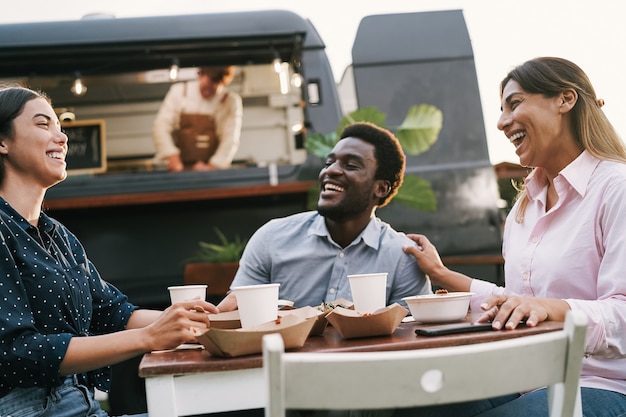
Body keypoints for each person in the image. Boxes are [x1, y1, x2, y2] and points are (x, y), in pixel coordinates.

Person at [401, 57, 626, 416]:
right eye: (501, 109)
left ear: (565, 100)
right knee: (417, 405)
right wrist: (442, 276)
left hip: (603, 384)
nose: (502, 122)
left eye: (515, 103)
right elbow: (521, 302)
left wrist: (552, 308)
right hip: (529, 379)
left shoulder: (617, 188)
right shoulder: (525, 206)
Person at [0, 85, 219, 417]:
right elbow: (17, 353)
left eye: (60, 127)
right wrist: (150, 338)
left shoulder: (58, 236)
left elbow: (116, 314)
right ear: (2, 141)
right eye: (43, 124)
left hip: (79, 404)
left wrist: (211, 321)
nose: (62, 138)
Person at [217, 121, 431, 311]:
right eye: (329, 163)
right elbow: (237, 315)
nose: (330, 171)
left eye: (351, 165)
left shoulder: (403, 258)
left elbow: (411, 339)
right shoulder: (271, 239)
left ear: (381, 188)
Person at [152, 65, 243, 172]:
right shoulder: (178, 92)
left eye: (213, 89)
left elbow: (230, 139)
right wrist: (172, 156)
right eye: (206, 87)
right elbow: (161, 127)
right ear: (200, 74)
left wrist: (212, 167)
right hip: (176, 170)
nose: (208, 93)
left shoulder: (230, 101)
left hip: (211, 172)